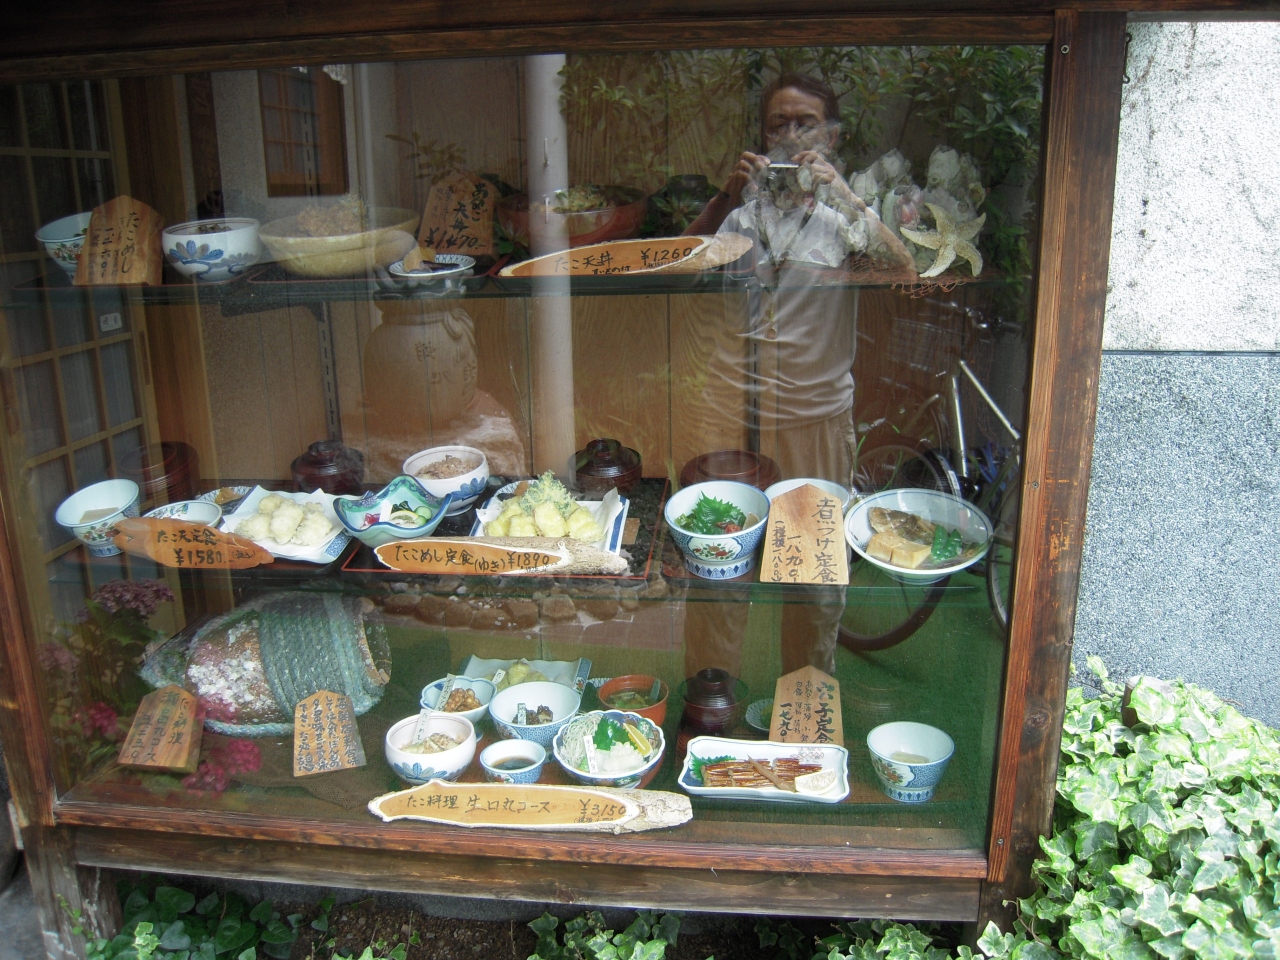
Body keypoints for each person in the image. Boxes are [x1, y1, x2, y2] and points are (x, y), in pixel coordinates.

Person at [681, 74, 913, 679]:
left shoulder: (843, 221)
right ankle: (713, 704)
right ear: (761, 138)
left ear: (831, 137)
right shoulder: (738, 220)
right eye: (777, 124)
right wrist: (723, 195)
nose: (790, 135)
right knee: (720, 571)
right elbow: (676, 269)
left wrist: (842, 193)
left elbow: (904, 272)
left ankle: (803, 707)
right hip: (735, 423)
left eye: (804, 123)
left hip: (814, 424)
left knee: (811, 580)